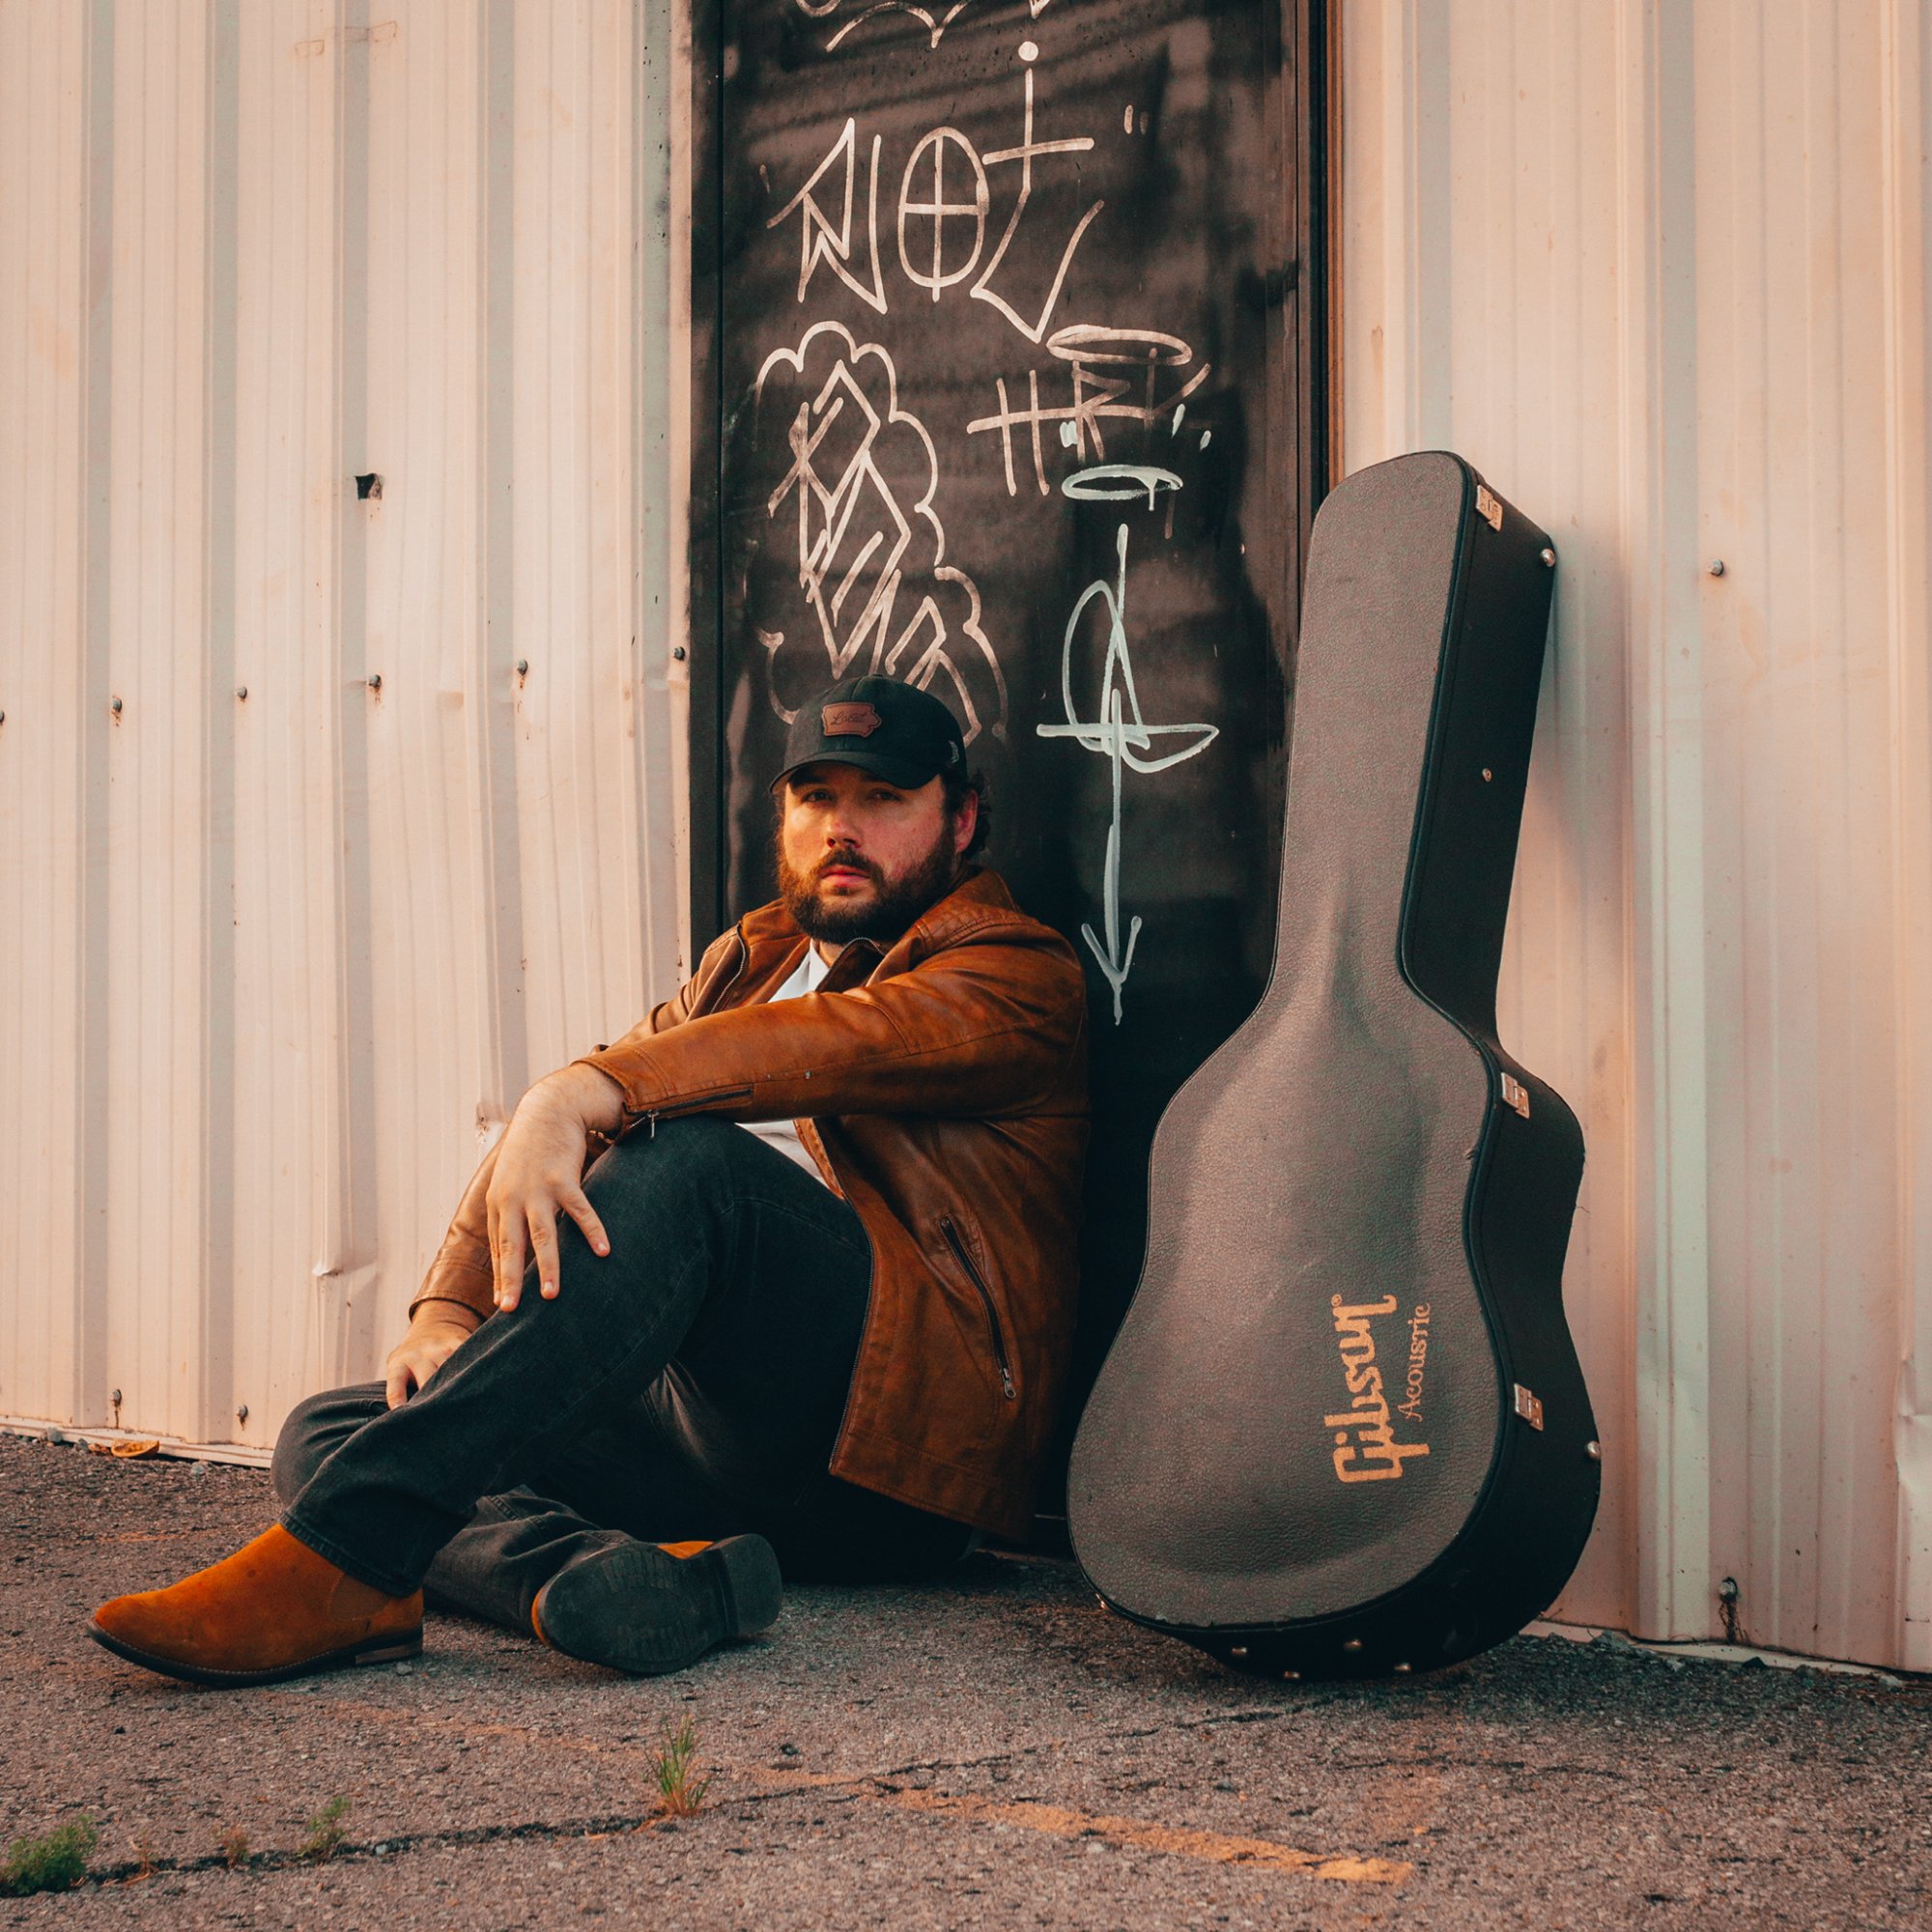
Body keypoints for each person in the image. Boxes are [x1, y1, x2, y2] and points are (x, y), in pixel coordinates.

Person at [88, 675, 1089, 1687]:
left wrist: (584, 1093)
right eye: (816, 797)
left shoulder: (1013, 973)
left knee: (693, 1162)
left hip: (886, 1472)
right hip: (705, 1451)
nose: (842, 826)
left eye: (883, 798)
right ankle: (606, 1580)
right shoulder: (748, 961)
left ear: (961, 820)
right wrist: (446, 1311)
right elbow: (588, 1099)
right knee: (341, 1430)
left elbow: (827, 1043)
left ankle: (347, 1562)